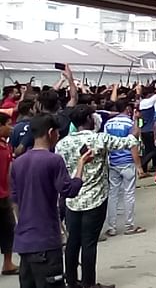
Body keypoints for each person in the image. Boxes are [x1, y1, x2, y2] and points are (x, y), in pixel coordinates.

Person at [56, 104, 139, 288]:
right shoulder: (100, 138)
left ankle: (71, 281)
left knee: (72, 242)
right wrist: (135, 129)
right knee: (89, 243)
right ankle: (89, 283)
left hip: (72, 199)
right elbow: (129, 143)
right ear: (88, 120)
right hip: (96, 198)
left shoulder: (62, 143)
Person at [13, 114, 88, 288]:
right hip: (46, 240)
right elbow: (70, 190)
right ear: (50, 132)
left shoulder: (18, 163)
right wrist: (81, 166)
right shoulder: (53, 160)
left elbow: (15, 201)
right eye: (57, 132)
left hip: (25, 242)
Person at [104, 100, 146, 237]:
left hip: (113, 162)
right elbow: (133, 143)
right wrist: (139, 166)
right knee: (129, 194)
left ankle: (112, 227)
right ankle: (129, 225)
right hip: (127, 162)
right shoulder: (129, 123)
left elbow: (105, 142)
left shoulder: (108, 123)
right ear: (127, 109)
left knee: (113, 194)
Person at [138, 71, 156, 173]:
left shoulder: (141, 103)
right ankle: (142, 164)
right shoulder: (151, 101)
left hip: (144, 129)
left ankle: (149, 166)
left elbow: (140, 118)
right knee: (154, 150)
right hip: (151, 129)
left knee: (148, 149)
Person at [0, 118, 17, 276]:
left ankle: (8, 263)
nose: (10, 127)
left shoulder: (6, 145)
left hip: (4, 194)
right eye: (7, 124)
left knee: (9, 228)